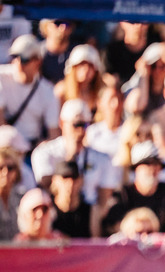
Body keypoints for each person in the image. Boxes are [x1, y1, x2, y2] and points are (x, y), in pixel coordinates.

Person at [31, 98, 120, 237]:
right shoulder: (44, 153)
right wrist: (71, 156)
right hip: (56, 215)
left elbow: (104, 199)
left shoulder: (102, 158)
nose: (81, 131)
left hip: (88, 217)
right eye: (76, 125)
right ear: (62, 124)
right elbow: (47, 189)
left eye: (85, 125)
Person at [0, 34, 60, 146]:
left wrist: (42, 147)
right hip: (4, 145)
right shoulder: (1, 77)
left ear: (38, 61)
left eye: (24, 59)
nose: (18, 62)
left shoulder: (48, 91)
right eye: (14, 57)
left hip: (30, 148)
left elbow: (53, 134)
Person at [0, 145, 24, 240]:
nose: (5, 172)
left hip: (18, 251)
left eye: (10, 168)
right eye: (0, 167)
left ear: (16, 172)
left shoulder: (23, 199)